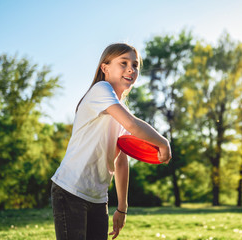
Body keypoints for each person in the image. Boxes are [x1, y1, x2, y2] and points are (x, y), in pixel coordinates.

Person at [51, 43, 172, 240]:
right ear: (105, 68)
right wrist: (163, 143)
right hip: (70, 189)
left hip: (98, 198)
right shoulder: (101, 89)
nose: (131, 69)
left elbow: (121, 162)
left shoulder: (120, 109)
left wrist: (122, 208)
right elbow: (133, 125)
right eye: (123, 63)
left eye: (135, 65)